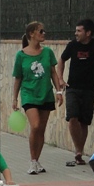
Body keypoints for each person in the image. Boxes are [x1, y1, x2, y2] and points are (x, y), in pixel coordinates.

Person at [11, 21, 64, 174]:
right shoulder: (21, 55)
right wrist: (15, 98)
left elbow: (53, 73)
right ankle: (32, 161)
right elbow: (18, 78)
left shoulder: (47, 52)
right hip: (29, 94)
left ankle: (37, 160)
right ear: (32, 34)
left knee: (41, 129)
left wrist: (59, 91)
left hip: (46, 93)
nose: (44, 33)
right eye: (41, 31)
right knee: (35, 125)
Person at [57, 19, 94, 167]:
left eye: (79, 31)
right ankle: (78, 150)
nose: (76, 33)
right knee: (72, 118)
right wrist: (60, 79)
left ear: (88, 33)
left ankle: (80, 151)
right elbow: (61, 60)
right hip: (72, 87)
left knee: (84, 121)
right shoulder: (72, 45)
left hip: (89, 88)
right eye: (76, 30)